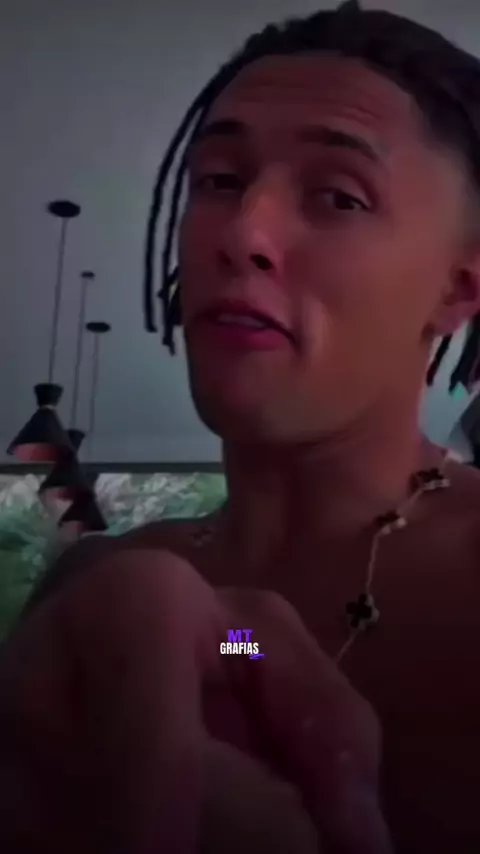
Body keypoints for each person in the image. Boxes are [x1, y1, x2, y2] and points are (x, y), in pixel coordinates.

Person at [3, 1, 480, 851]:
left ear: (459, 289)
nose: (241, 231)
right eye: (219, 181)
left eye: (338, 196)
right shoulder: (108, 587)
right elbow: (240, 645)